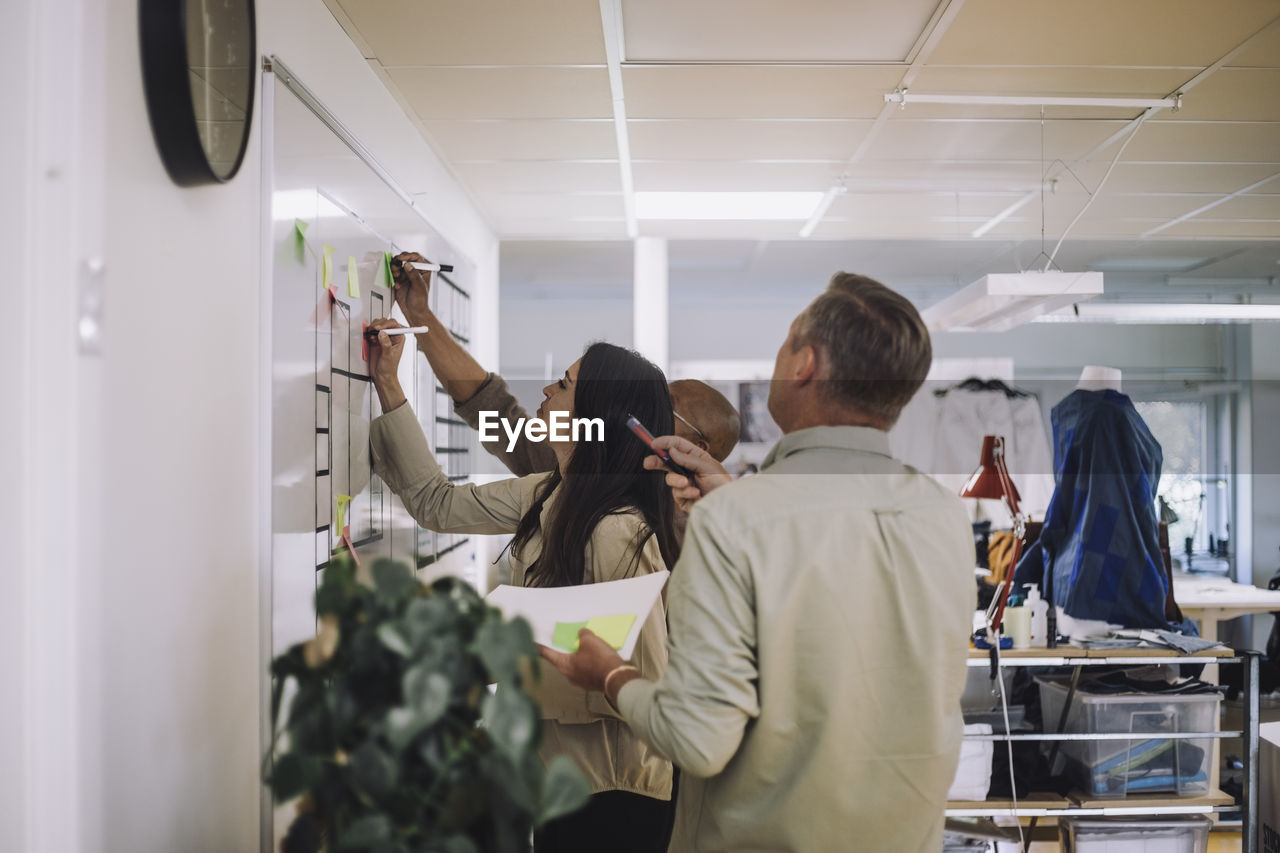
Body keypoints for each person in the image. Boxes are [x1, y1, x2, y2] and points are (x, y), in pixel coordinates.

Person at [541, 273, 976, 852]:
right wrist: (732, 497)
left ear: (805, 363)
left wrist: (610, 675)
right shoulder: (943, 516)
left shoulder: (735, 523)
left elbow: (697, 739)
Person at [366, 319, 679, 853]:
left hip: (616, 797)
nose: (547, 391)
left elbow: (643, 686)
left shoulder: (619, 528)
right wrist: (389, 385)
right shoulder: (548, 491)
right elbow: (435, 504)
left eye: (564, 384)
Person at [388, 252, 740, 476]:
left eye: (668, 408)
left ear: (701, 448)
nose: (648, 408)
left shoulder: (691, 526)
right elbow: (493, 413)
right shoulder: (577, 463)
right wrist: (419, 315)